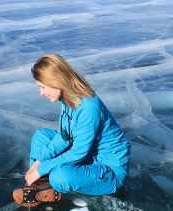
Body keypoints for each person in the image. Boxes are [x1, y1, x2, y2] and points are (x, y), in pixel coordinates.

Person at [25, 53, 131, 196]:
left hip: (107, 168)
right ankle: (42, 185)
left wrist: (43, 168)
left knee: (60, 176)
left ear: (56, 81)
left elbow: (78, 153)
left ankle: (53, 184)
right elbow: (64, 137)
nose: (41, 93)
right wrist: (39, 162)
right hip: (87, 156)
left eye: (43, 87)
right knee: (41, 136)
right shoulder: (68, 99)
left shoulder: (89, 108)